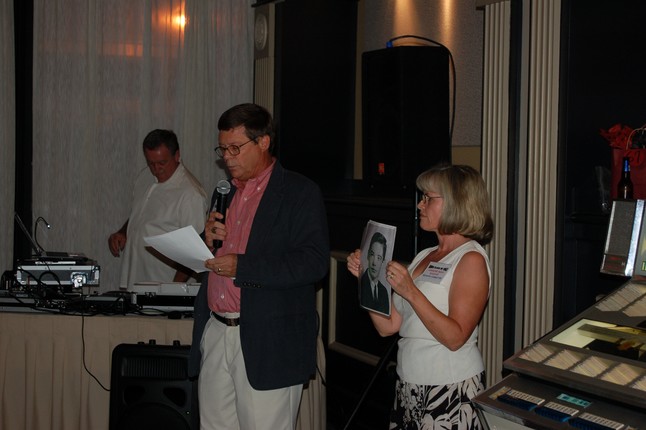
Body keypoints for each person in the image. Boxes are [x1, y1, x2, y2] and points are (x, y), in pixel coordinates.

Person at [188, 103, 330, 430]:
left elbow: (313, 262)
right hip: (216, 330)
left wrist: (243, 267)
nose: (227, 157)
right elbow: (212, 258)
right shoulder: (224, 193)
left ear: (263, 142)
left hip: (268, 339)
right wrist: (205, 240)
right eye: (222, 149)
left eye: (235, 148)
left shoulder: (298, 192)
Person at [346, 164, 494, 429]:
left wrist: (410, 292)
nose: (420, 205)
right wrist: (366, 278)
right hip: (409, 384)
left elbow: (456, 337)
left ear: (455, 202)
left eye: (428, 198)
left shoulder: (470, 259)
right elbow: (388, 326)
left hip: (448, 386)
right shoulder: (425, 256)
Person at [108, 129, 207, 288]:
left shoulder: (190, 194)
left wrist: (172, 290)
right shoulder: (145, 176)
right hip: (134, 280)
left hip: (162, 285)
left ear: (177, 155)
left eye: (162, 163)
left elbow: (194, 253)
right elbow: (141, 213)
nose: (156, 169)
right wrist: (123, 231)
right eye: (151, 163)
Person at [360, 231, 390, 314]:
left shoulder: (384, 292)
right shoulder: (360, 282)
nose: (374, 263)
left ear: (383, 261)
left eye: (379, 258)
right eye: (372, 255)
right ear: (368, 255)